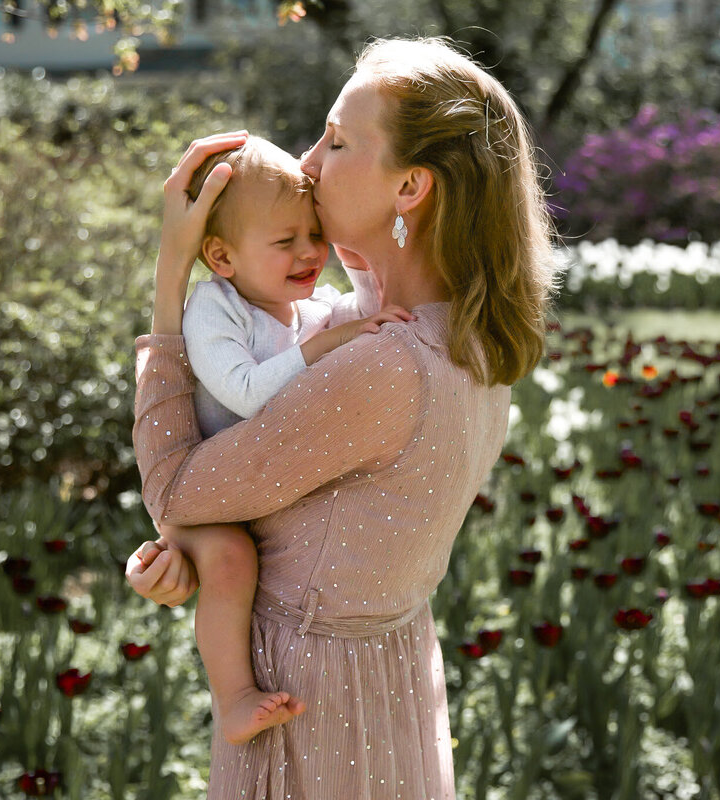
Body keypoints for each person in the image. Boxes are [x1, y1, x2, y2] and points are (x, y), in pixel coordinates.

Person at [125, 36, 556, 799]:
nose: (308, 161)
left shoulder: (380, 365)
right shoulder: (455, 337)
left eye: (338, 139)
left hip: (313, 713)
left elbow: (177, 490)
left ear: (412, 187)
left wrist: (173, 270)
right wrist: (197, 561)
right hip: (379, 690)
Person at [147, 134, 413, 746]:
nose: (309, 252)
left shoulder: (303, 307)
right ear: (221, 256)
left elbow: (359, 315)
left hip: (252, 485)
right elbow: (244, 392)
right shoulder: (215, 309)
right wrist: (325, 346)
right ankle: (232, 696)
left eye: (313, 234)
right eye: (284, 241)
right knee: (231, 562)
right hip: (205, 493)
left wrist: (366, 265)